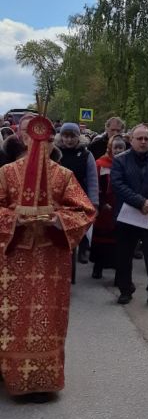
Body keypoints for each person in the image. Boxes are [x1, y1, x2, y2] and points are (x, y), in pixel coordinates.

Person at [0, 114, 95, 402]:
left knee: (47, 317)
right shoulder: (5, 173)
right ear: (23, 138)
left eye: (45, 136)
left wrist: (58, 220)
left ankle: (45, 380)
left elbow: (85, 210)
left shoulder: (63, 175)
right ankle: (12, 375)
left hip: (51, 257)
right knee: (11, 318)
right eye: (32, 135)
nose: (39, 141)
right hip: (14, 256)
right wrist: (13, 219)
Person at [111, 124, 148, 307]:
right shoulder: (120, 161)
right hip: (127, 216)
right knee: (124, 254)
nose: (143, 142)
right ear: (131, 140)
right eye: (139, 138)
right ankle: (125, 289)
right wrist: (139, 202)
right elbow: (118, 184)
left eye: (146, 139)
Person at [56, 122, 99, 264]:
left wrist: (94, 202)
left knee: (81, 226)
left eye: (72, 136)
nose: (69, 140)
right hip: (60, 198)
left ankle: (83, 248)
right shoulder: (56, 153)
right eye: (65, 136)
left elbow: (93, 179)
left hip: (81, 197)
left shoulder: (86, 154)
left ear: (78, 137)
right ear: (61, 137)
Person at [90, 135, 128, 279]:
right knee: (101, 240)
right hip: (105, 206)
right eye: (116, 148)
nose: (118, 150)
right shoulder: (100, 163)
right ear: (110, 148)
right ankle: (98, 267)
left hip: (122, 206)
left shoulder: (128, 163)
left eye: (121, 148)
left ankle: (117, 270)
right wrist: (101, 202)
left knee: (119, 241)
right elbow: (95, 185)